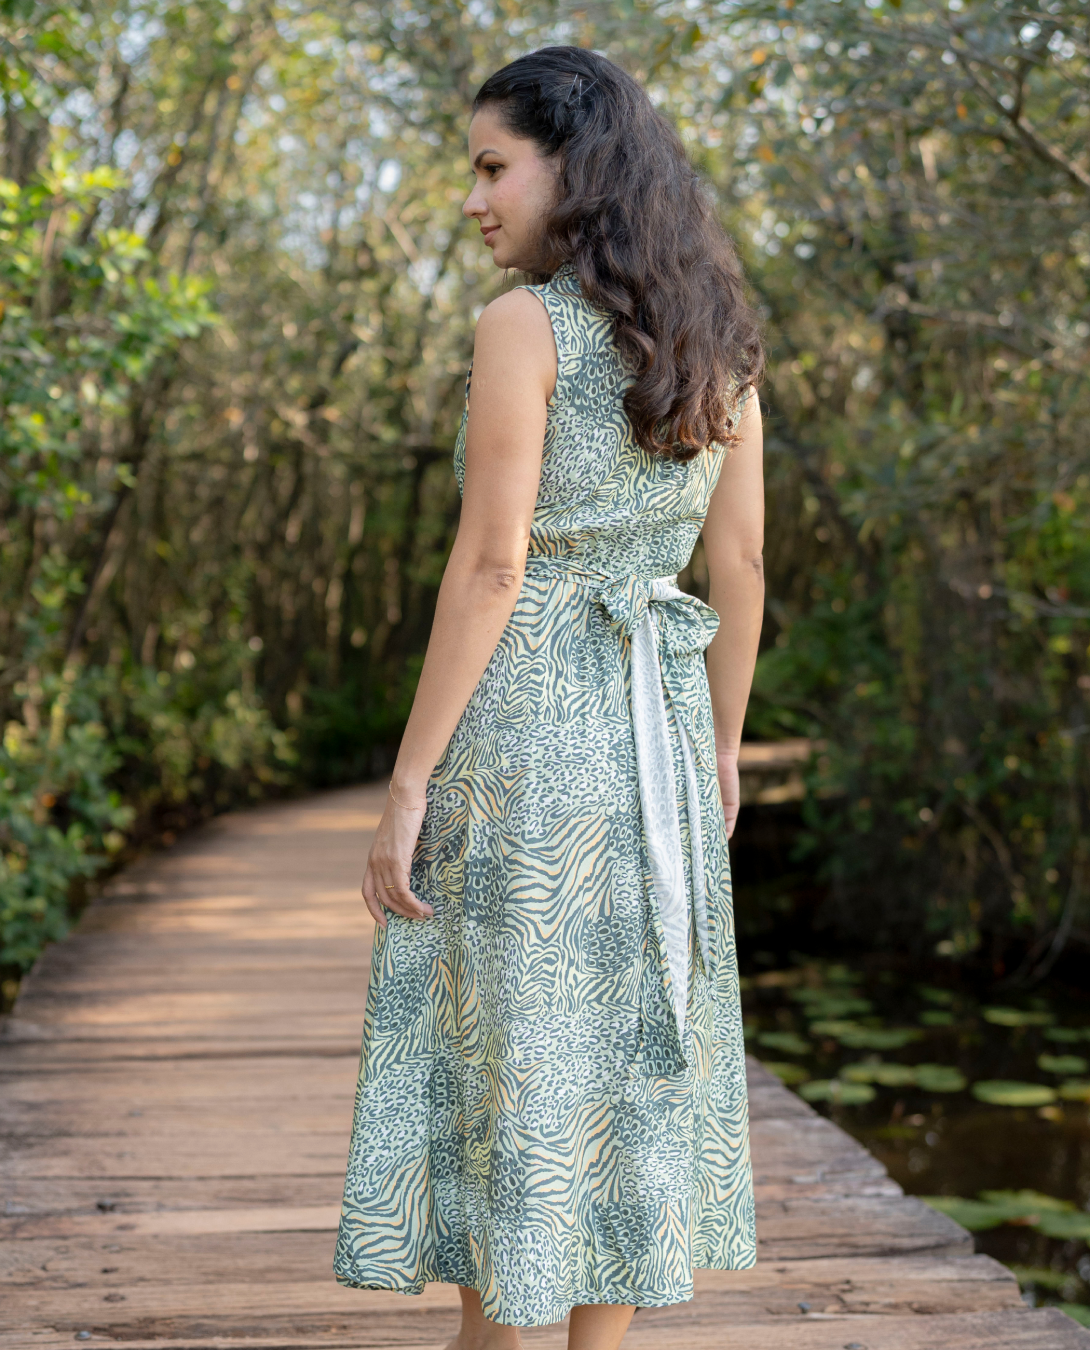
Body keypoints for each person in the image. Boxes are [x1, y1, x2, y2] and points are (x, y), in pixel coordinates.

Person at [334, 45, 765, 1350]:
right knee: (622, 1050)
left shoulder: (520, 327)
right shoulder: (723, 338)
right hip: (658, 741)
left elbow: (493, 561)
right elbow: (738, 563)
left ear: (574, 169)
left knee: (508, 1046)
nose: (471, 198)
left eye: (489, 166)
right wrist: (722, 749)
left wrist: (407, 778)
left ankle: (495, 1339)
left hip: (524, 733)